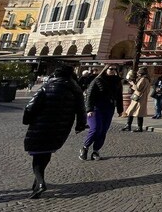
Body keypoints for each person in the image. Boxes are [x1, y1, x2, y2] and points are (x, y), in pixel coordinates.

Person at [22, 66, 87, 199]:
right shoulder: (76, 90)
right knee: (46, 151)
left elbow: (30, 106)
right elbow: (81, 110)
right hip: (61, 128)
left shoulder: (47, 87)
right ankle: (37, 182)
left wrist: (27, 119)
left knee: (38, 154)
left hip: (42, 125)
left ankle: (40, 182)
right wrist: (80, 126)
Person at [80, 65, 124, 160]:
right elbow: (90, 95)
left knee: (103, 130)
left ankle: (96, 151)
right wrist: (89, 109)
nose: (113, 71)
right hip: (96, 108)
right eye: (111, 69)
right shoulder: (97, 80)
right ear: (105, 70)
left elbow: (119, 96)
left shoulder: (117, 81)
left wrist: (120, 110)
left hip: (109, 108)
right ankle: (85, 148)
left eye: (114, 69)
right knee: (95, 129)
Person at [122, 67, 151, 132]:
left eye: (139, 73)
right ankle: (130, 126)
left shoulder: (143, 79)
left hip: (138, 98)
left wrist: (132, 83)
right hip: (141, 97)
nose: (137, 74)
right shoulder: (147, 79)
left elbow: (138, 88)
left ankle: (135, 127)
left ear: (141, 73)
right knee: (135, 112)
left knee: (133, 112)